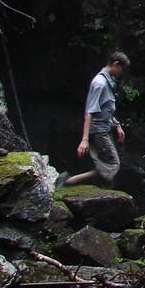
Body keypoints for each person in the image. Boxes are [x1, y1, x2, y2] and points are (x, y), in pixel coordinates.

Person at [58, 51, 129, 188]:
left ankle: (77, 183)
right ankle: (69, 182)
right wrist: (84, 140)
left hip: (105, 129)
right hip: (99, 132)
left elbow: (106, 109)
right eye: (122, 69)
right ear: (115, 64)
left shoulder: (109, 81)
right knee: (113, 165)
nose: (122, 73)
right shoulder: (99, 83)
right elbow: (90, 112)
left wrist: (117, 125)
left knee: (107, 165)